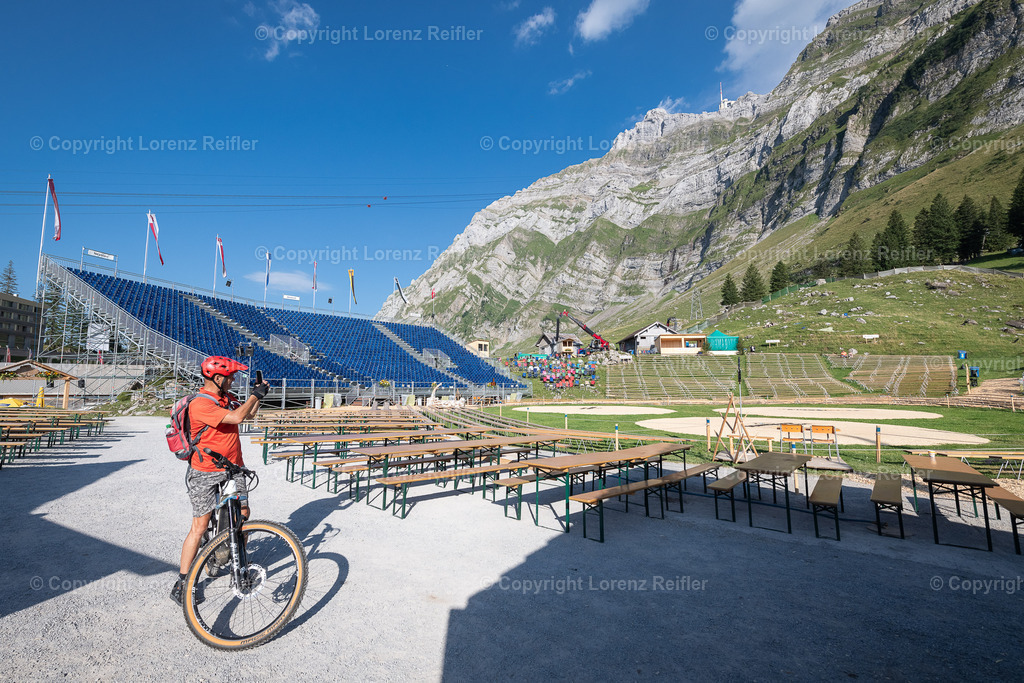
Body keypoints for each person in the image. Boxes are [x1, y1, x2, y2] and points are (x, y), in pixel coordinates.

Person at [170, 355, 269, 606]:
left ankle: (239, 568)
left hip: (233, 469)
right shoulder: (201, 404)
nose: (234, 379)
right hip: (205, 471)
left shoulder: (224, 399)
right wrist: (254, 395)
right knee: (200, 526)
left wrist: (259, 397)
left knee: (242, 515)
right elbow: (235, 419)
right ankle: (183, 583)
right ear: (216, 378)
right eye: (230, 376)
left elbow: (245, 416)